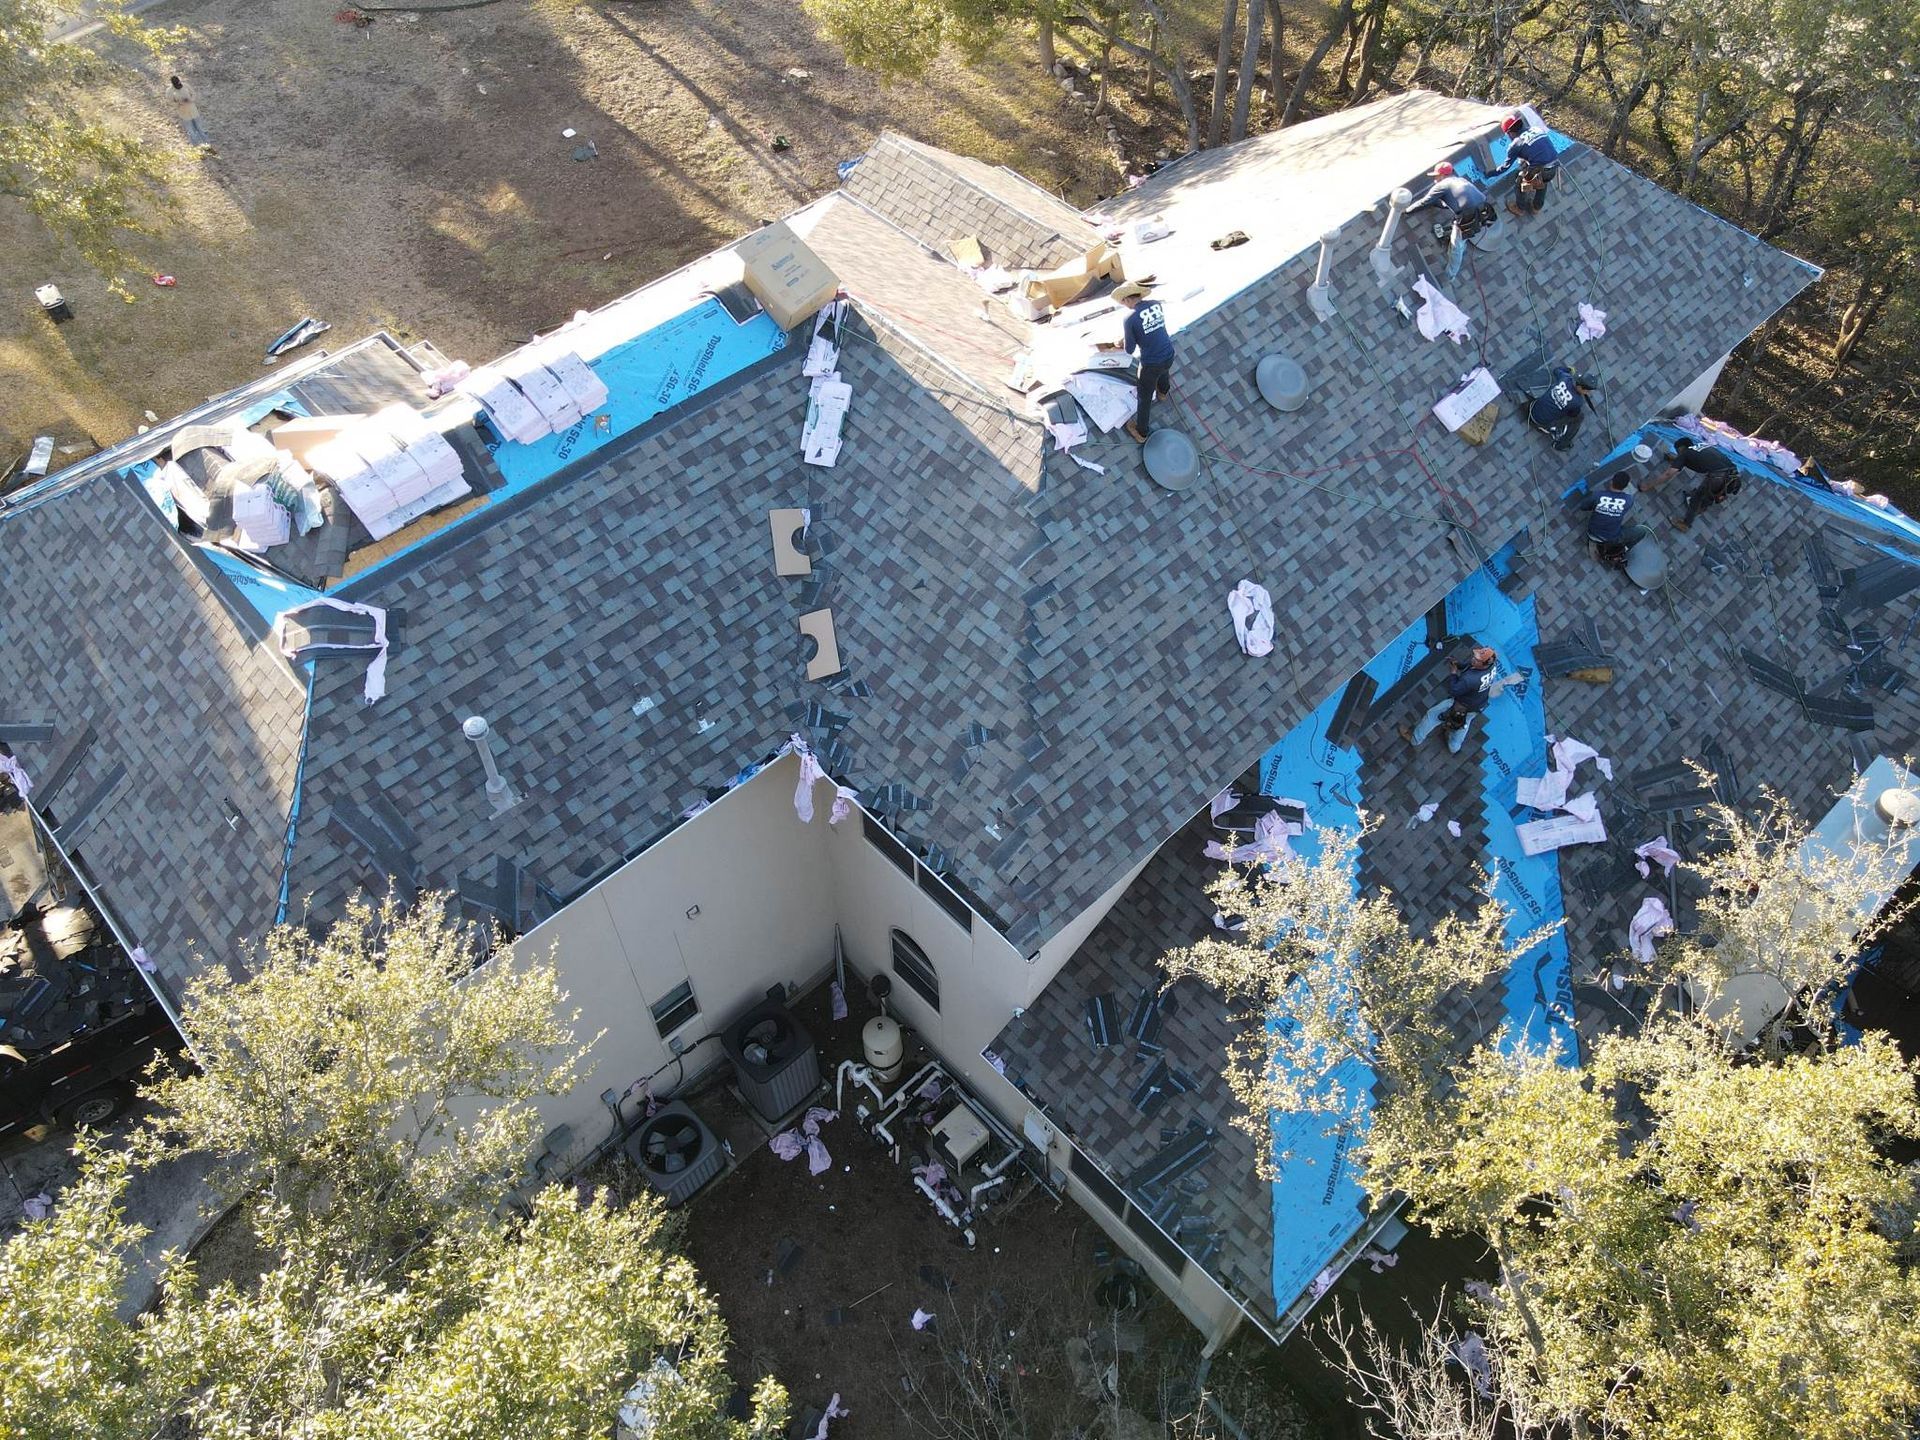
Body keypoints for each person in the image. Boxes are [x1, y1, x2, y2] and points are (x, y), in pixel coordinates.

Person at [1101, 281, 1174, 444]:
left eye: (1123, 302)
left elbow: (1129, 350)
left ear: (1127, 299)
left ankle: (1141, 432)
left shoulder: (1129, 318)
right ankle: (1163, 392)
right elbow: (1150, 329)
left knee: (1144, 397)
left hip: (1151, 364)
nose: (1124, 305)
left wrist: (1124, 341)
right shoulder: (1156, 305)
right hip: (1169, 353)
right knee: (1164, 370)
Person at [1405, 162, 1492, 283]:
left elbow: (1424, 202)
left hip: (1468, 216)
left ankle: (1450, 274)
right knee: (1462, 232)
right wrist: (1438, 203)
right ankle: (1461, 238)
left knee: (1457, 246)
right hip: (1484, 209)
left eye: (1436, 176)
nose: (1434, 179)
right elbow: (1452, 201)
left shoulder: (1442, 186)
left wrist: (1406, 210)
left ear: (1442, 175)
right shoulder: (1459, 180)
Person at [1407, 646, 1500, 754]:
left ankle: (1414, 739)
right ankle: (1454, 748)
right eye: (1475, 656)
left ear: (1484, 663)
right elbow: (1470, 666)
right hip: (1478, 705)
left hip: (1460, 705)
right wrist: (1458, 664)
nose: (1473, 659)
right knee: (1463, 725)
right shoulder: (1492, 665)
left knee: (1431, 716)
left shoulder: (1469, 679)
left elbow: (1453, 690)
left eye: (1477, 659)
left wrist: (1453, 672)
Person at [1666, 437, 1743, 530]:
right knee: (1709, 494)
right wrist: (1676, 459)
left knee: (1696, 498)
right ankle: (1700, 508)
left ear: (1681, 448)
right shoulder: (1702, 448)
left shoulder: (1687, 453)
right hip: (1733, 476)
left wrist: (1646, 486)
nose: (1679, 454)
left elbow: (1673, 470)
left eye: (1678, 451)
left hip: (1718, 477)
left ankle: (1685, 524)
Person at [1491, 114, 1560, 219]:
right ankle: (1537, 207)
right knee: (1542, 182)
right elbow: (1539, 149)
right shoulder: (1536, 129)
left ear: (1510, 133)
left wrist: (1490, 173)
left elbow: (1505, 167)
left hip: (1540, 171)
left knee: (1519, 180)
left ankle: (1519, 208)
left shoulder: (1516, 144)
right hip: (1554, 166)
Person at [1575, 471, 1647, 565]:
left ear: (1611, 482)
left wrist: (1597, 507)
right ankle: (1621, 552)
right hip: (1611, 537)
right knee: (1642, 531)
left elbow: (1583, 506)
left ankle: (1614, 550)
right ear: (1625, 487)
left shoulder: (1597, 495)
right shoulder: (1628, 500)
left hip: (1592, 532)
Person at [1522, 365, 1599, 452]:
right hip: (1540, 422)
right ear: (1580, 387)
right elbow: (1572, 414)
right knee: (1579, 417)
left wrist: (1569, 369)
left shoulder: (1566, 378)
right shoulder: (1578, 401)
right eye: (1587, 391)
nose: (1588, 393)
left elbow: (1557, 370)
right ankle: (1560, 444)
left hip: (1532, 408)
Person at [169, 75, 210, 148]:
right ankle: (196, 146)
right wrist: (179, 103)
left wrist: (191, 99)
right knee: (191, 131)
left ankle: (207, 143)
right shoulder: (170, 91)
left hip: (193, 110)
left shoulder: (186, 86)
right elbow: (171, 102)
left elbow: (193, 94)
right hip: (184, 113)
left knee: (200, 128)